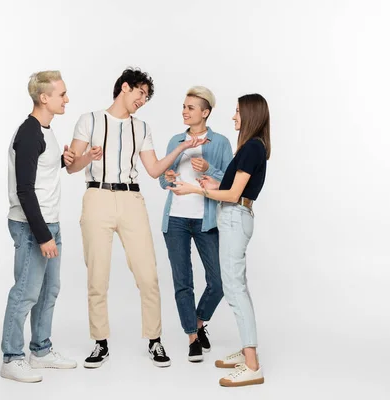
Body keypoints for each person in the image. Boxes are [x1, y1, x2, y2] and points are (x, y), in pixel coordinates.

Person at [64, 67, 207, 368]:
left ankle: (155, 340)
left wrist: (182, 147)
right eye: (141, 93)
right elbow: (72, 167)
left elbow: (154, 170)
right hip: (97, 196)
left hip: (131, 199)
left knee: (148, 274)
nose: (143, 100)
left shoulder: (141, 127)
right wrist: (87, 158)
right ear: (125, 88)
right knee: (97, 275)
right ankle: (99, 342)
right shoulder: (88, 120)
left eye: (146, 97)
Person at [168, 93, 270, 387]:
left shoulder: (251, 147)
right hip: (237, 216)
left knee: (234, 290)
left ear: (250, 115)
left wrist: (194, 189)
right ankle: (248, 351)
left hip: (236, 217)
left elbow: (233, 195)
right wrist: (214, 183)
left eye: (238, 112)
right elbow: (232, 187)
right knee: (237, 287)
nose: (234, 117)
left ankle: (252, 365)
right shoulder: (251, 147)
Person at [0, 71, 77, 383]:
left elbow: (41, 169)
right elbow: (24, 190)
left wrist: (66, 159)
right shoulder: (29, 133)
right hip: (33, 226)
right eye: (62, 94)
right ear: (44, 97)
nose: (66, 99)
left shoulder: (45, 130)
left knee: (49, 290)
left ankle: (40, 351)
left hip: (50, 222)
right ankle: (12, 357)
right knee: (25, 292)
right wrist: (43, 235)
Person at [158, 86, 233, 362]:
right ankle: (192, 337)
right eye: (184, 106)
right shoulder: (176, 140)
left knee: (218, 281)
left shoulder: (221, 142)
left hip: (206, 220)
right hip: (176, 219)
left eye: (190, 107)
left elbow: (231, 182)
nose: (184, 111)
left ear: (205, 112)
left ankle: (199, 321)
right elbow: (163, 181)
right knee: (183, 282)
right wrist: (167, 176)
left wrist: (208, 170)